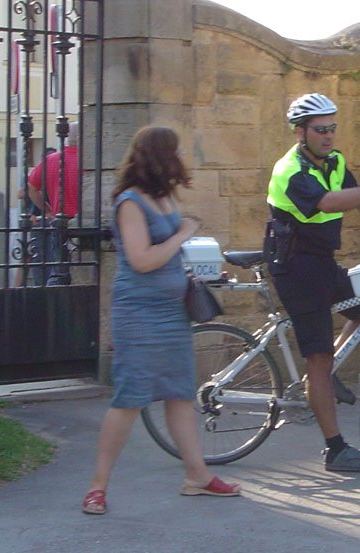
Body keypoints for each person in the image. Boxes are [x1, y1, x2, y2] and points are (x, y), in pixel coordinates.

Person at [82, 126, 240, 515]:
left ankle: (197, 476)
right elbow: (142, 259)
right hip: (138, 315)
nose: (183, 156)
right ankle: (97, 488)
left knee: (179, 395)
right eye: (177, 151)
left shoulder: (165, 196)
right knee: (129, 399)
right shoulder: (130, 203)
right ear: (160, 156)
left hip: (171, 312)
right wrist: (184, 232)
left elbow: (166, 257)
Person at [265, 92, 360, 473]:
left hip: (322, 263)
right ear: (300, 132)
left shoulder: (334, 161)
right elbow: (328, 203)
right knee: (317, 356)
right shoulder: (290, 170)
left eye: (333, 128)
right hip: (295, 269)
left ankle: (325, 372)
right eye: (320, 130)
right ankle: (335, 449)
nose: (329, 136)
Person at [27, 123, 80, 286]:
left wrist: (48, 210)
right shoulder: (89, 160)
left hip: (59, 220)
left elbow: (31, 188)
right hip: (83, 220)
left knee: (59, 271)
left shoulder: (51, 160)